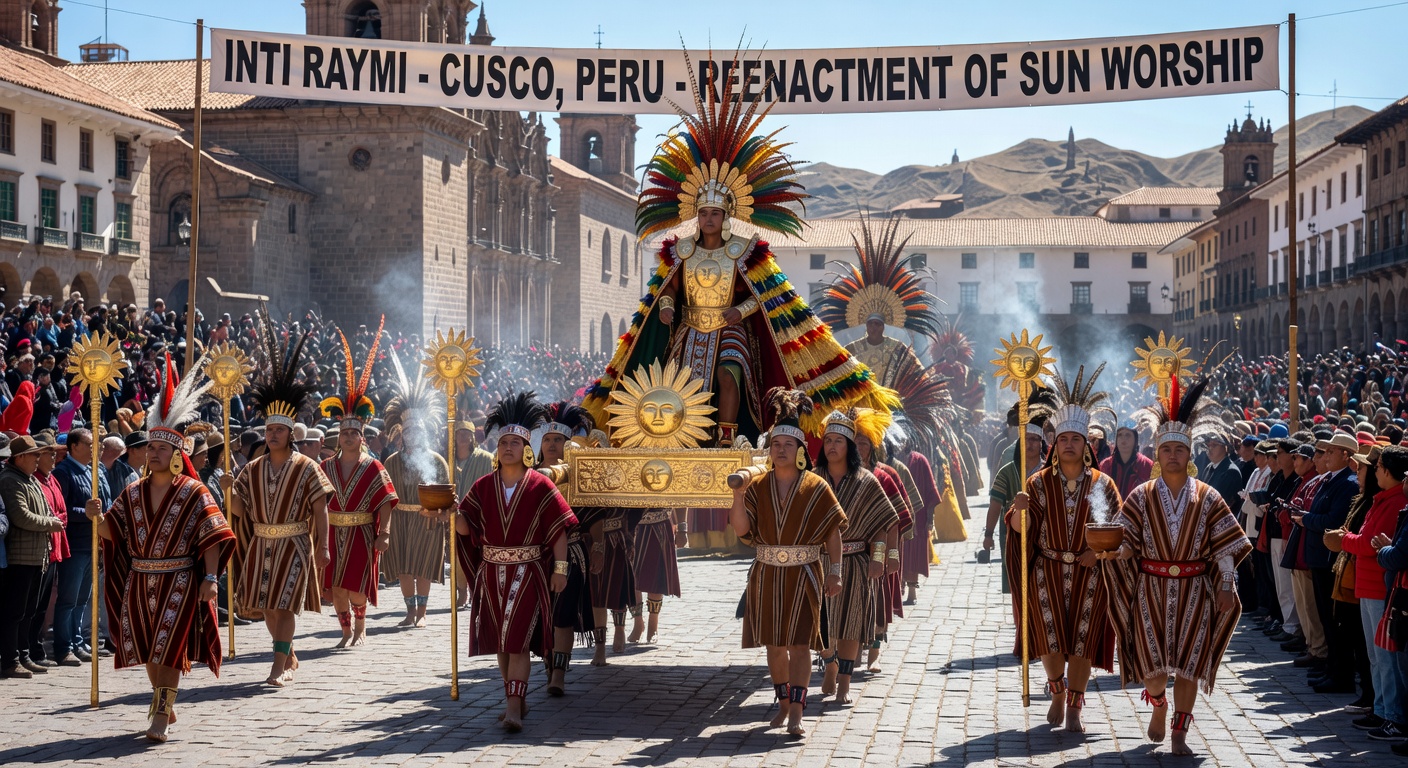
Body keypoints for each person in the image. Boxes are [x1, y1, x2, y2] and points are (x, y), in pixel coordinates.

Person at [582, 63, 896, 450]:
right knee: (680, 381)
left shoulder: (745, 253)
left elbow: (767, 298)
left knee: (729, 374)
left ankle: (729, 437)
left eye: (715, 213)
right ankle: (688, 435)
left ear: (726, 216)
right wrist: (665, 307)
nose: (708, 218)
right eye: (703, 213)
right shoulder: (680, 251)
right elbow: (669, 291)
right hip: (690, 328)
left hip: (732, 328)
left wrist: (741, 312)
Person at [1104, 378, 1252, 756]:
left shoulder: (1209, 496)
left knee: (1189, 666)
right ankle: (1158, 703)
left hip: (1195, 590)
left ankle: (1180, 733)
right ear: (1157, 453)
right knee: (1152, 670)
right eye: (1166, 449)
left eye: (1179, 450)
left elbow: (1224, 545)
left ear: (1189, 455)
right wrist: (1114, 551)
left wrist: (1226, 584)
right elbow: (1126, 541)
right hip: (1150, 588)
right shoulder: (1141, 495)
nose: (1172, 455)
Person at [89, 362, 234, 742]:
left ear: (174, 452)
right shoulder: (132, 492)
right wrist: (96, 517)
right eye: (149, 447)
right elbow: (113, 533)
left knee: (169, 648)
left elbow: (213, 537)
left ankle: (159, 712)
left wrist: (210, 578)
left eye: (159, 447)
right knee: (150, 653)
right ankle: (163, 700)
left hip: (180, 580)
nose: (152, 453)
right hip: (139, 580)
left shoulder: (194, 491)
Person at [454, 392, 576, 732]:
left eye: (515, 442)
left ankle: (511, 707)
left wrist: (561, 570)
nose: (508, 447)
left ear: (525, 448)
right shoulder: (481, 486)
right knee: (501, 642)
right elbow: (466, 527)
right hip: (491, 572)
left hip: (529, 571)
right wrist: (451, 511)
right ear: (497, 448)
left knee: (519, 640)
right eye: (503, 442)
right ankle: (517, 697)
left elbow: (559, 532)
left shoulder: (540, 485)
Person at [1007, 366, 1121, 733]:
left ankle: (1074, 705)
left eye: (1076, 438)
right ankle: (1057, 691)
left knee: (1083, 644)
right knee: (1049, 642)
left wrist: (1099, 552)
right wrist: (1018, 511)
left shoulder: (1104, 484)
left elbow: (1117, 530)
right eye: (1063, 438)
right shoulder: (1036, 483)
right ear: (1054, 444)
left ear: (1086, 444)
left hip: (1091, 574)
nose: (1069, 444)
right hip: (1048, 571)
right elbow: (1017, 530)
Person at [729, 389, 846, 737]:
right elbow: (741, 529)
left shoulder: (816, 485)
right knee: (774, 646)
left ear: (799, 451)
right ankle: (782, 704)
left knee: (799, 645)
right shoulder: (756, 486)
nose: (781, 449)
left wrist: (836, 572)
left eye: (787, 444)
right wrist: (736, 494)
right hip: (766, 574)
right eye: (775, 444)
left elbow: (833, 533)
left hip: (805, 573)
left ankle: (797, 710)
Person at [227, 315, 332, 687]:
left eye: (278, 431)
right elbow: (239, 511)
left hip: (294, 543)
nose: (271, 435)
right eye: (268, 429)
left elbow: (321, 508)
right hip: (260, 542)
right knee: (268, 609)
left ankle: (276, 668)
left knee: (284, 604)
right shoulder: (251, 468)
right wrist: (229, 491)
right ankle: (287, 653)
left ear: (290, 434)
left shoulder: (306, 466)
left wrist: (324, 546)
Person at [317, 326, 397, 649]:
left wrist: (385, 532)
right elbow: (315, 500)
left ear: (362, 437)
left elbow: (386, 501)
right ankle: (346, 630)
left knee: (356, 586)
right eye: (344, 433)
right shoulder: (325, 467)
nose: (348, 438)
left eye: (354, 433)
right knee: (336, 588)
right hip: (334, 532)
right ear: (339, 436)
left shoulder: (373, 466)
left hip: (363, 533)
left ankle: (362, 625)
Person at [814, 409, 899, 706]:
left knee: (850, 625)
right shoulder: (813, 479)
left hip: (856, 563)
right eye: (828, 441)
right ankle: (829, 664)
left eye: (839, 440)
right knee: (820, 623)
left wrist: (882, 556)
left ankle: (844, 684)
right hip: (819, 563)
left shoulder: (867, 481)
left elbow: (884, 523)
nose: (832, 446)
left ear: (849, 446)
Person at [1332, 445, 1408, 736]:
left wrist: (1345, 539)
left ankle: (1392, 713)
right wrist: (1354, 540)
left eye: (1377, 467)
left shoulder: (1395, 501)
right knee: (1376, 656)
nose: (1374, 471)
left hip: (1379, 587)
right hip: (1368, 585)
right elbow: (1367, 541)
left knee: (1385, 658)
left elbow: (1369, 544)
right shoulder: (1383, 499)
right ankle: (1381, 709)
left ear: (1387, 471)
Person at [379, 348, 451, 629]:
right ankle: (409, 612)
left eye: (417, 431)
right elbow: (385, 495)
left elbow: (447, 493)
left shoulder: (436, 460)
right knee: (403, 568)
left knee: (422, 567)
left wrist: (443, 512)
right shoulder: (392, 461)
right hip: (400, 521)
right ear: (401, 434)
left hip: (427, 521)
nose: (413, 435)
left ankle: (422, 613)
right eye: (408, 431)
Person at [535, 401, 599, 696]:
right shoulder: (529, 475)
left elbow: (594, 514)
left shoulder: (579, 477)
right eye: (546, 440)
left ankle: (559, 673)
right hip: (535, 557)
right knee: (541, 617)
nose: (551, 444)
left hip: (571, 554)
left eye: (557, 440)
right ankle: (549, 664)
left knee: (563, 616)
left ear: (567, 445)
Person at [0, 435, 65, 677]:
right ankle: (10, 659)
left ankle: (23, 655)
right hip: (20, 558)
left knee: (29, 611)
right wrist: (51, 523)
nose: (38, 459)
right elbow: (21, 516)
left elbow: (46, 510)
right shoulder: (9, 480)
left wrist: (50, 520)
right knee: (14, 612)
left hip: (37, 555)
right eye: (34, 455)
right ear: (19, 458)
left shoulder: (29, 480)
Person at [1098, 422, 1153, 498]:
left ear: (1135, 439)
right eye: (1120, 435)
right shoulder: (1105, 465)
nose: (1123, 439)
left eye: (1128, 435)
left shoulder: (1147, 465)